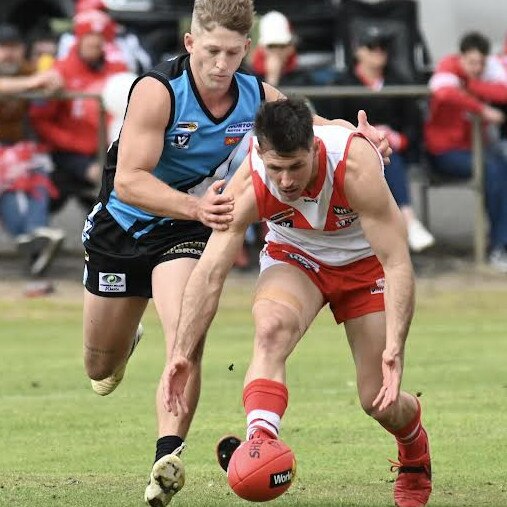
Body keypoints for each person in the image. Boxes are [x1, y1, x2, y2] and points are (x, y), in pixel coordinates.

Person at [80, 1, 391, 505]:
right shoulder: (157, 92)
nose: (221, 65)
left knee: (187, 332)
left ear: (246, 49)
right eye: (211, 52)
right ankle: (122, 343)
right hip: (125, 228)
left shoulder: (256, 96)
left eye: (231, 53)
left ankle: (167, 456)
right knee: (98, 367)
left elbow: (309, 126)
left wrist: (365, 138)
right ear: (189, 44)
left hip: (186, 230)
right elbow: (131, 180)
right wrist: (195, 204)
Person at [164, 97, 431, 507]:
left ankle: (414, 450)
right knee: (270, 328)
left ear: (314, 148)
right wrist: (181, 353)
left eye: (295, 166)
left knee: (378, 399)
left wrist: (395, 347)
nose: (285, 181)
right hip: (297, 257)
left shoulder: (353, 165)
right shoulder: (252, 179)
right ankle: (261, 442)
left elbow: (396, 263)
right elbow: (211, 270)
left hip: (365, 268)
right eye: (276, 168)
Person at [335, 27, 434, 253]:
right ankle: (407, 220)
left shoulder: (399, 81)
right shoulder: (342, 84)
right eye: (372, 47)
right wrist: (361, 137)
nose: (379, 53)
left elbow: (413, 125)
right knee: (375, 157)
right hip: (352, 152)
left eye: (383, 48)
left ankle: (404, 222)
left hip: (393, 152)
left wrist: (399, 138)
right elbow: (333, 123)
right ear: (358, 51)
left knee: (388, 156)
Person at [30, 9, 128, 215]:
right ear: (79, 39)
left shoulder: (118, 70)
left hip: (108, 150)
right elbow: (40, 120)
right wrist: (73, 143)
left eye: (100, 39)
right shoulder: (59, 71)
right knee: (99, 181)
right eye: (89, 38)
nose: (95, 44)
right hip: (67, 152)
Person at [424, 31, 507, 272]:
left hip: (474, 149)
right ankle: (499, 246)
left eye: (481, 63)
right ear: (461, 57)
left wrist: (473, 85)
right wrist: (481, 107)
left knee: (500, 167)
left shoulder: (474, 77)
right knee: (494, 170)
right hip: (444, 152)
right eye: (471, 63)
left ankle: (500, 242)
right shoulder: (447, 69)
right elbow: (444, 92)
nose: (477, 67)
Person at [0, 22, 65, 281]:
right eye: (3, 48)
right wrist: (34, 81)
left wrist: (53, 80)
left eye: (14, 47)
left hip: (16, 148)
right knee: (9, 175)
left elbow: (54, 82)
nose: (9, 54)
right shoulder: (28, 76)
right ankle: (34, 237)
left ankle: (34, 236)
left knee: (36, 169)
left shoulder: (27, 70)